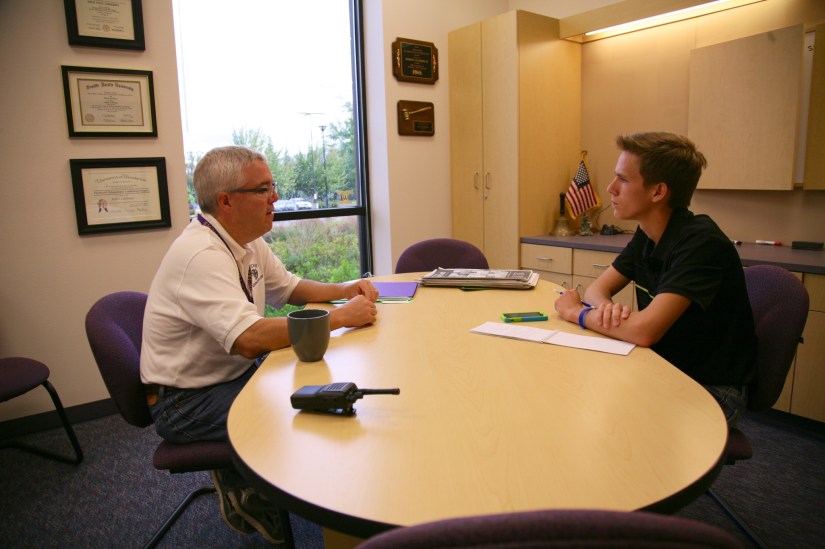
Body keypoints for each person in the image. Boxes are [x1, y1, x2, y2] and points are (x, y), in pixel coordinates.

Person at [140, 145, 379, 543]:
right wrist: (339, 317)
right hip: (184, 401)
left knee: (316, 388)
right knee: (309, 411)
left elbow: (288, 288)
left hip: (228, 377)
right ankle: (250, 485)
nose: (276, 197)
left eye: (273, 186)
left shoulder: (244, 241)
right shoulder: (200, 254)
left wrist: (344, 288)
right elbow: (249, 339)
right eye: (263, 189)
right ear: (226, 200)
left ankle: (249, 471)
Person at [554, 132, 756, 427]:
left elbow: (644, 331)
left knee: (605, 418)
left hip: (713, 388)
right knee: (580, 397)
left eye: (622, 179)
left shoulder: (700, 243)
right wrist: (604, 310)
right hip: (666, 367)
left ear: (658, 191)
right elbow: (599, 289)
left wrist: (576, 312)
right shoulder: (647, 233)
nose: (610, 188)